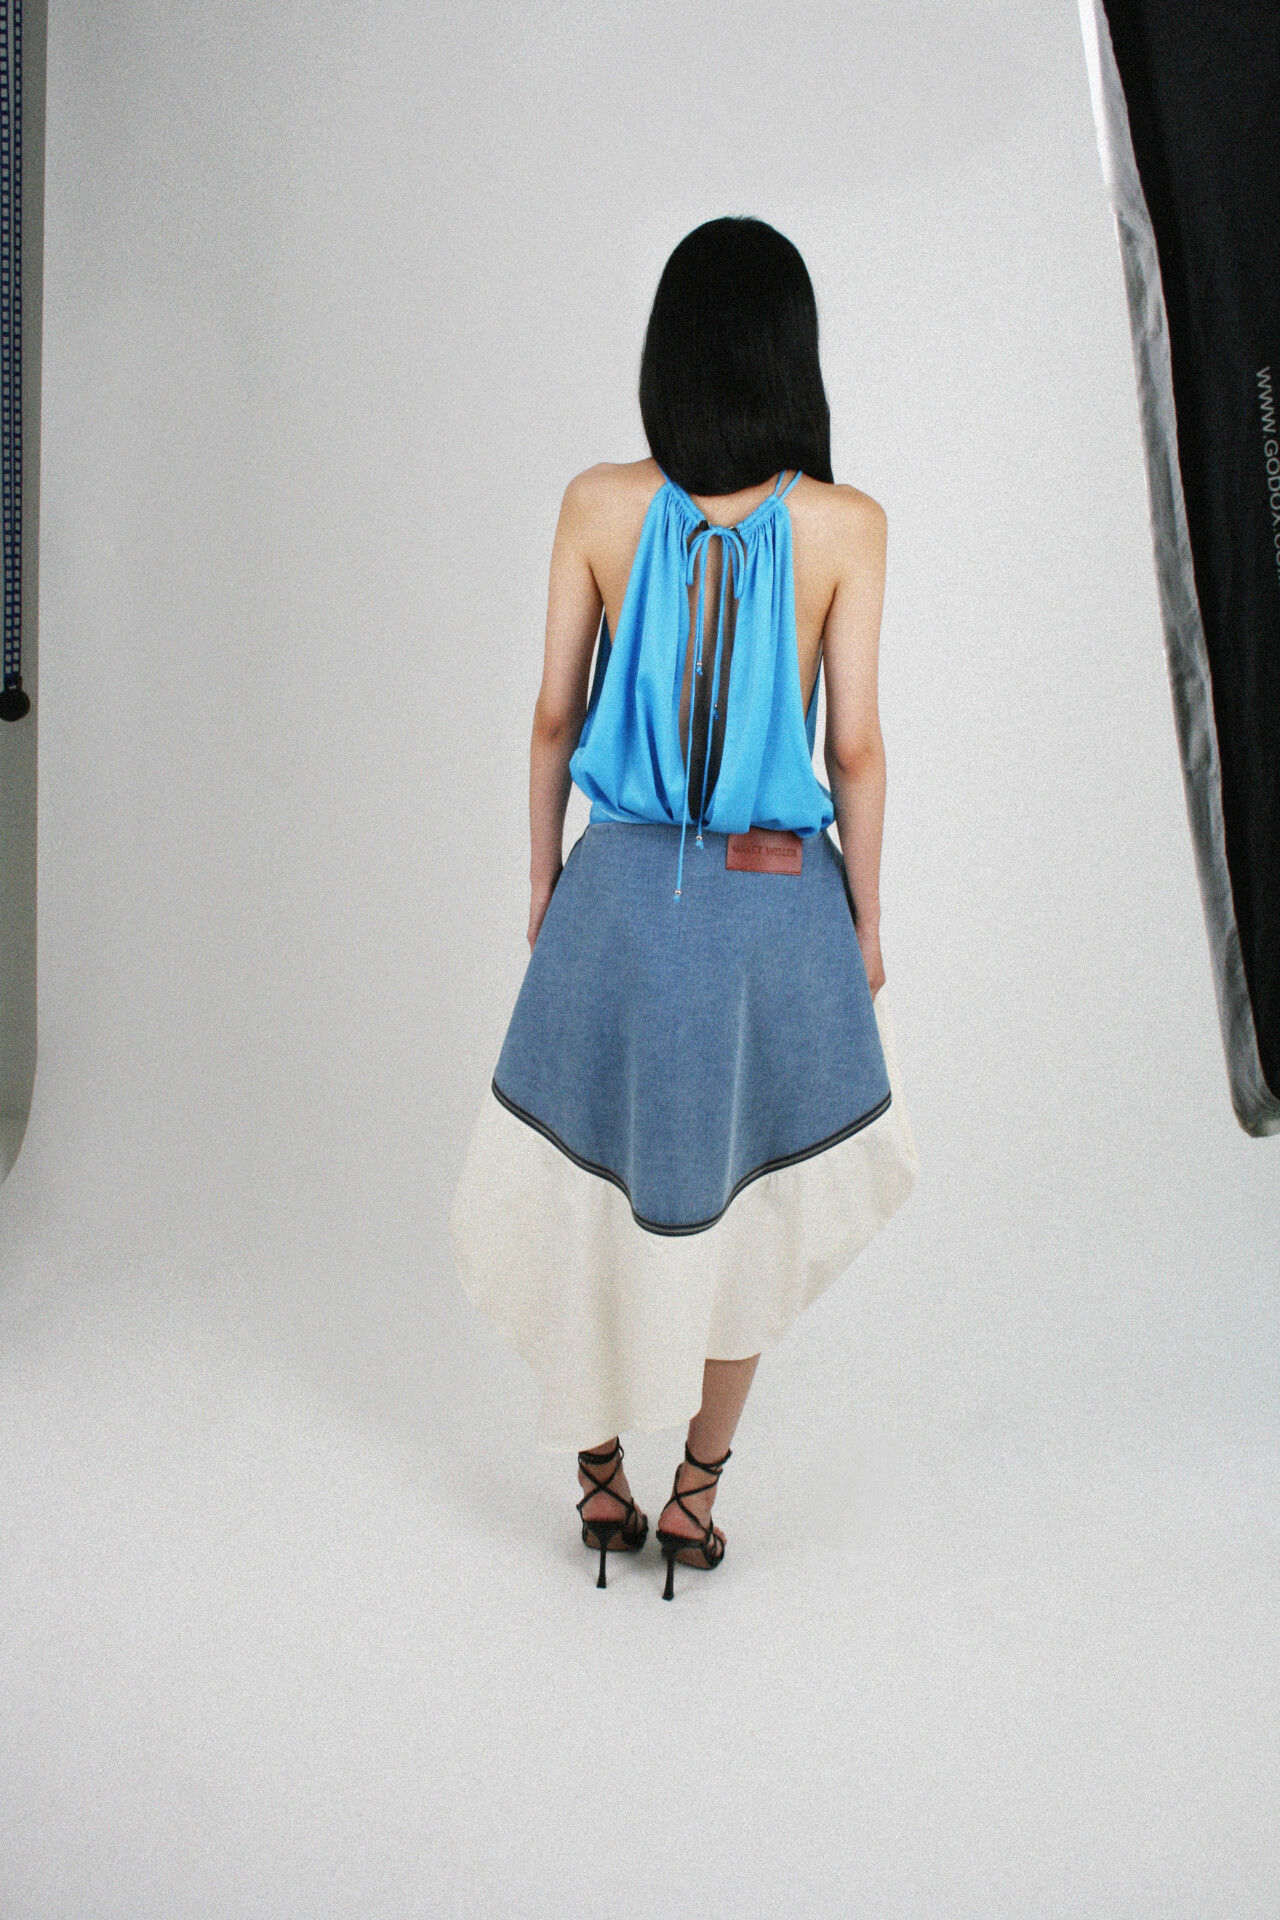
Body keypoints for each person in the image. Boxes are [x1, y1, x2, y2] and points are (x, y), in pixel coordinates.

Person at [449, 215, 918, 1599]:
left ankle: (598, 1473)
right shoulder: (847, 526)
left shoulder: (597, 504)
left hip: (615, 892)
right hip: (774, 911)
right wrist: (867, 925)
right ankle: (696, 1495)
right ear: (792, 356)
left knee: (579, 1184)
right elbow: (856, 751)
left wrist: (547, 880)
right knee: (748, 1203)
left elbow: (552, 718)